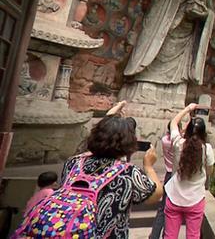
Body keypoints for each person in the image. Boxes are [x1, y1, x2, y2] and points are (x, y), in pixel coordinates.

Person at [14, 101, 163, 238]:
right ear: (129, 142)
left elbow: (96, 146)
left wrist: (107, 122)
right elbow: (155, 195)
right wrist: (149, 166)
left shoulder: (74, 163)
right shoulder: (128, 172)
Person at [164, 104, 215, 239]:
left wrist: (188, 109)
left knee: (169, 236)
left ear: (187, 130)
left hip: (174, 197)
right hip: (195, 199)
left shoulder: (178, 143)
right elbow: (209, 171)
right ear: (204, 133)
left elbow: (174, 122)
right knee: (193, 235)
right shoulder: (207, 149)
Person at [149, 122, 178, 239]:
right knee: (171, 210)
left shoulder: (165, 140)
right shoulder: (179, 143)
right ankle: (167, 234)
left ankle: (154, 235)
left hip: (167, 175)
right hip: (175, 177)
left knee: (162, 208)